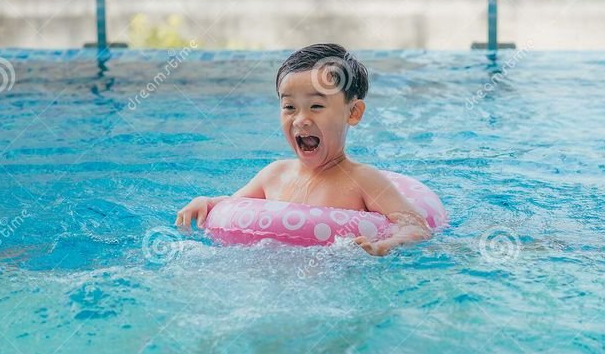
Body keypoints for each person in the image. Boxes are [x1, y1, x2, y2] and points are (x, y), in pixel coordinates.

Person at [176, 43, 431, 256]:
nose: (300, 119)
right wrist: (208, 203)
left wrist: (383, 246)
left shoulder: (363, 180)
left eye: (316, 106)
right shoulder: (274, 175)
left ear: (353, 112)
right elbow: (233, 205)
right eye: (289, 107)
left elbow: (415, 226)